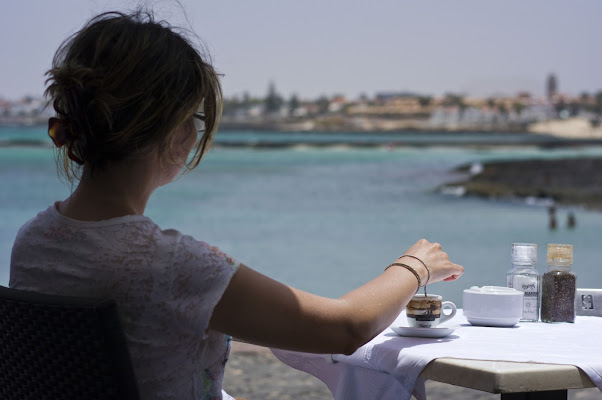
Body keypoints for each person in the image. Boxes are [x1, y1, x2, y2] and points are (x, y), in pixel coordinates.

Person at [9, 10, 464, 400]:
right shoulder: (169, 266)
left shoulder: (34, 240)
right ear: (177, 132)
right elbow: (345, 328)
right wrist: (414, 265)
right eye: (197, 119)